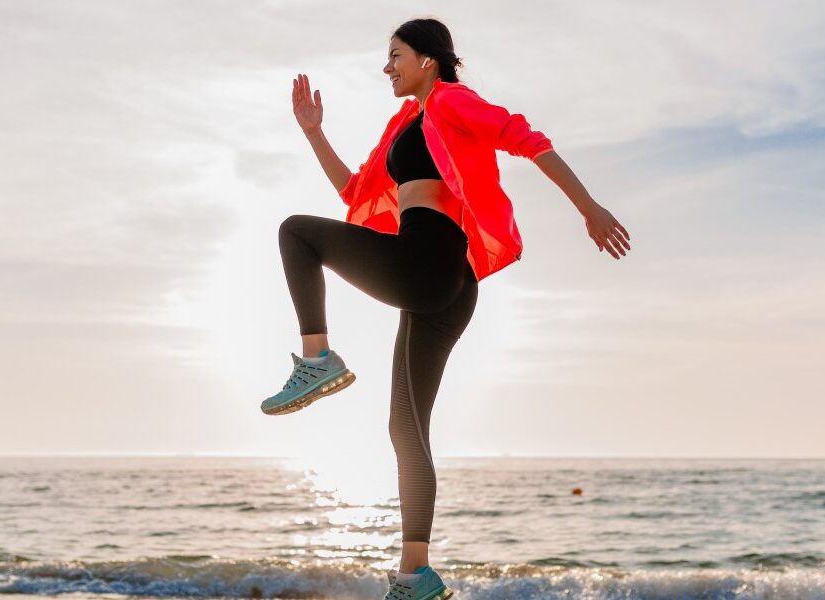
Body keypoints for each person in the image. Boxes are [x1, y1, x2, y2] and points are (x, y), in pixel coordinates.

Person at [264, 17, 630, 600]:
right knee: (405, 430)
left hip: (428, 263)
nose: (388, 67)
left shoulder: (453, 101)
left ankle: (318, 359)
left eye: (396, 56)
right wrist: (313, 133)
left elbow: (527, 139)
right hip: (448, 284)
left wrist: (589, 207)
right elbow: (356, 192)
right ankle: (415, 576)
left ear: (429, 60)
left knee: (296, 233)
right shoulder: (406, 123)